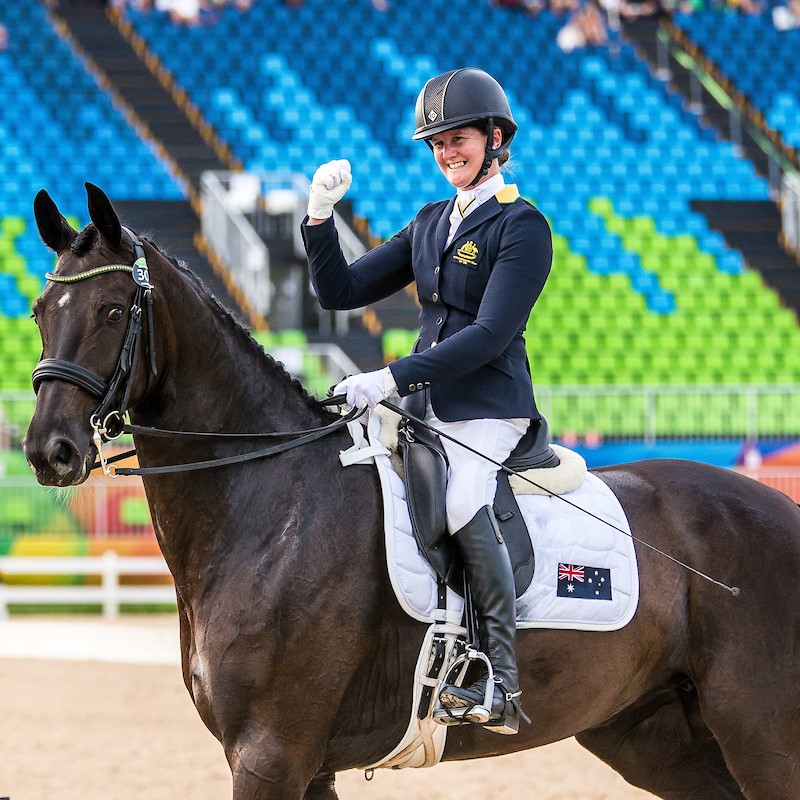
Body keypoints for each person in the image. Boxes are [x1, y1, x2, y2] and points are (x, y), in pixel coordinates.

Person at [301, 67, 552, 735]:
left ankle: (500, 678)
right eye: (437, 143)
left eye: (459, 139)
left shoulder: (521, 226)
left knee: (466, 497)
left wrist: (388, 379)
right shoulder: (431, 222)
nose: (447, 153)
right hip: (427, 413)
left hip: (489, 409)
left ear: (496, 138)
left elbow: (491, 334)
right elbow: (341, 291)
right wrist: (319, 218)